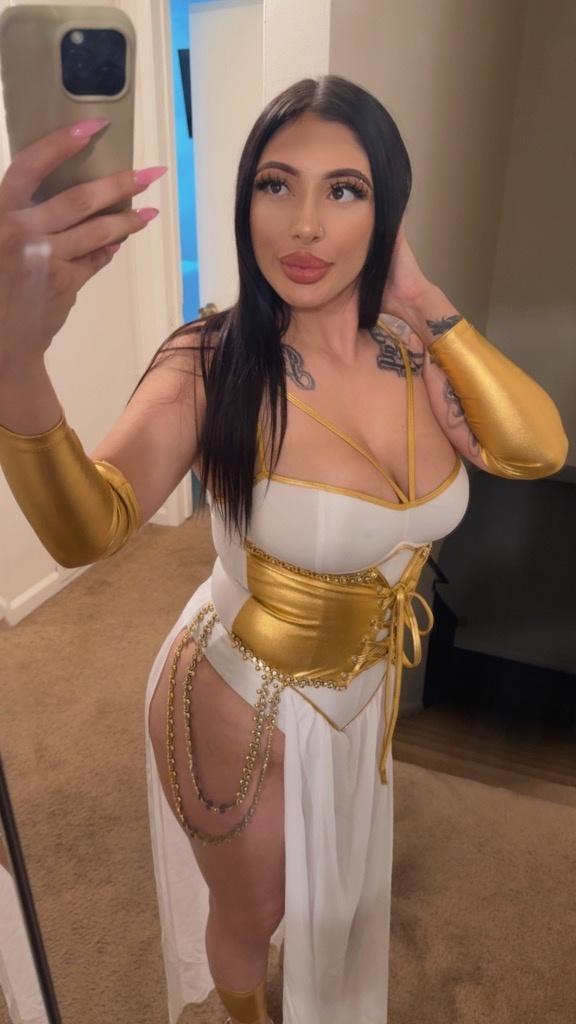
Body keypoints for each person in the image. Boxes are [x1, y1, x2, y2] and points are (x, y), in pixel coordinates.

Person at [0, 74, 568, 1024]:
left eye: (345, 190)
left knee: (334, 901)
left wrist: (420, 295)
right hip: (241, 703)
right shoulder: (212, 361)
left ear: (387, 213)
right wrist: (13, 361)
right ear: (245, 200)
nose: (304, 225)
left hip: (364, 697)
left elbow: (536, 449)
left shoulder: (413, 351)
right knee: (253, 911)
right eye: (276, 184)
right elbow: (88, 526)